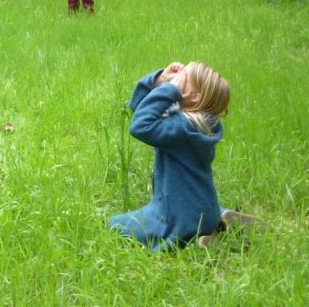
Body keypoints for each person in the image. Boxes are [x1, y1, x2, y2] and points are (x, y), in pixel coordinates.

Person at [108, 61, 253, 251]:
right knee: (197, 205)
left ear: (194, 96)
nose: (176, 80)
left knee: (115, 224)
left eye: (183, 78)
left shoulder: (181, 127)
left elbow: (139, 126)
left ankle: (193, 239)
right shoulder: (201, 124)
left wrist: (169, 90)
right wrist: (158, 80)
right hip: (205, 209)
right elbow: (139, 107)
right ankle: (219, 218)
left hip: (176, 217)